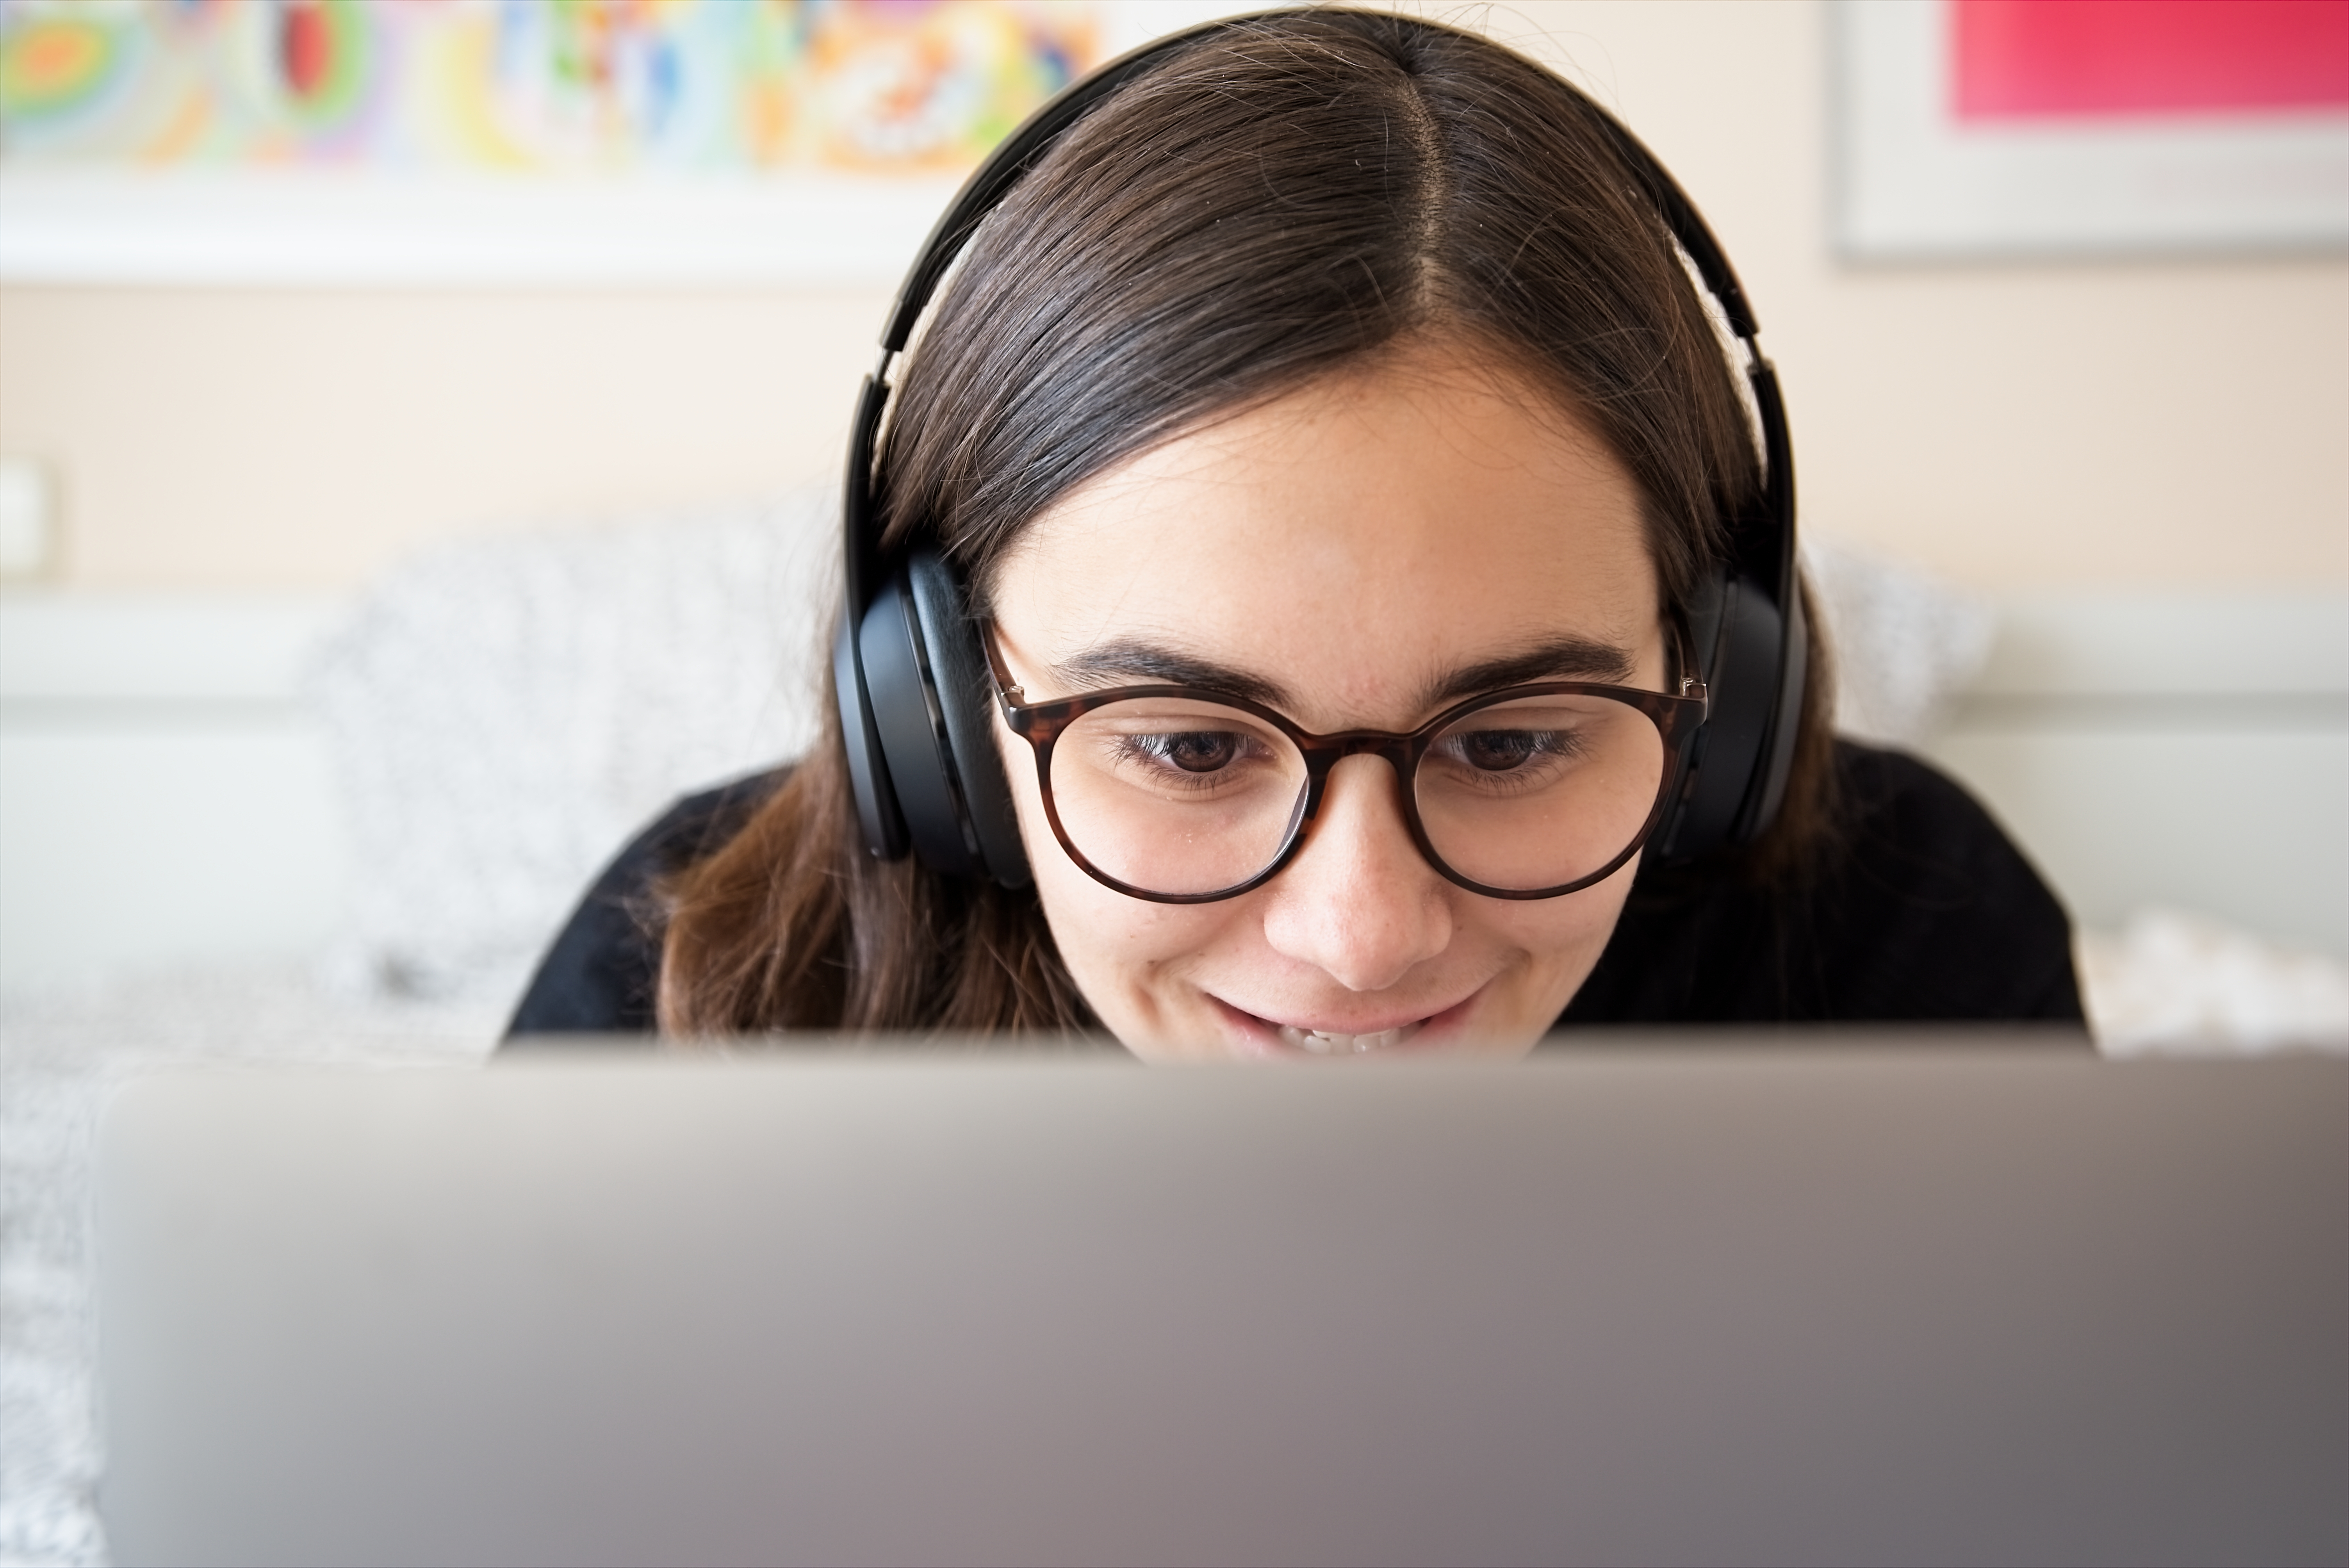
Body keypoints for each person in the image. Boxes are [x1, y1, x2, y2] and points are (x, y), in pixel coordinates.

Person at [507, 10, 2081, 1058]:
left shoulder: (1909, 950)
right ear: (940, 716)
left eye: (1517, 740)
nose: (1361, 937)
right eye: (1187, 746)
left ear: (1713, 696)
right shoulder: (689, 994)